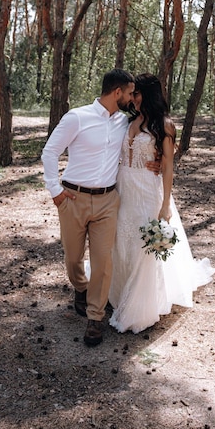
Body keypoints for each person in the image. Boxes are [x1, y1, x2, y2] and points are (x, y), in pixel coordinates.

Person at [109, 73, 215, 334]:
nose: (132, 98)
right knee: (121, 240)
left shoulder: (164, 124)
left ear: (149, 94)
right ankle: (119, 292)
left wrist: (166, 204)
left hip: (148, 189)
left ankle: (140, 305)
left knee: (144, 244)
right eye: (131, 94)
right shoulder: (128, 122)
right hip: (123, 188)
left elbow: (167, 168)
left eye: (136, 93)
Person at [42, 69, 143, 347]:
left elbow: (144, 141)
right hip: (73, 199)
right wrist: (56, 191)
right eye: (129, 92)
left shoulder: (124, 123)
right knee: (73, 258)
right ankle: (80, 287)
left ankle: (95, 317)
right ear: (117, 92)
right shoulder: (77, 117)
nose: (132, 98)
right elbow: (50, 151)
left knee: (103, 261)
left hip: (108, 201)